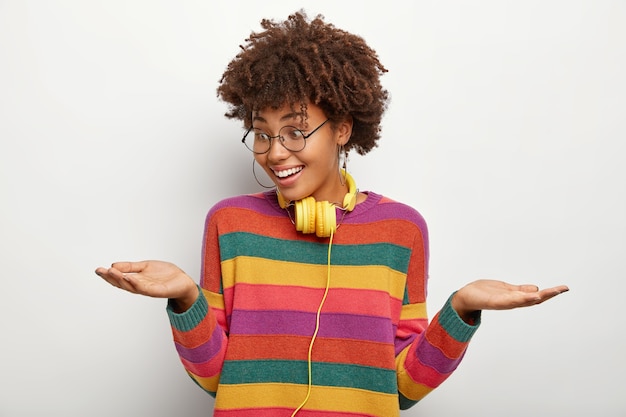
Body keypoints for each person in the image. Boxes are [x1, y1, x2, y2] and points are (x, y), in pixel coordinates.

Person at [95, 11, 568, 417]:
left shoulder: (401, 230)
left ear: (343, 128)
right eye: (262, 133)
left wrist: (460, 310)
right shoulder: (230, 224)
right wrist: (185, 299)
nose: (275, 153)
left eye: (296, 132)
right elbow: (219, 377)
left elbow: (401, 388)